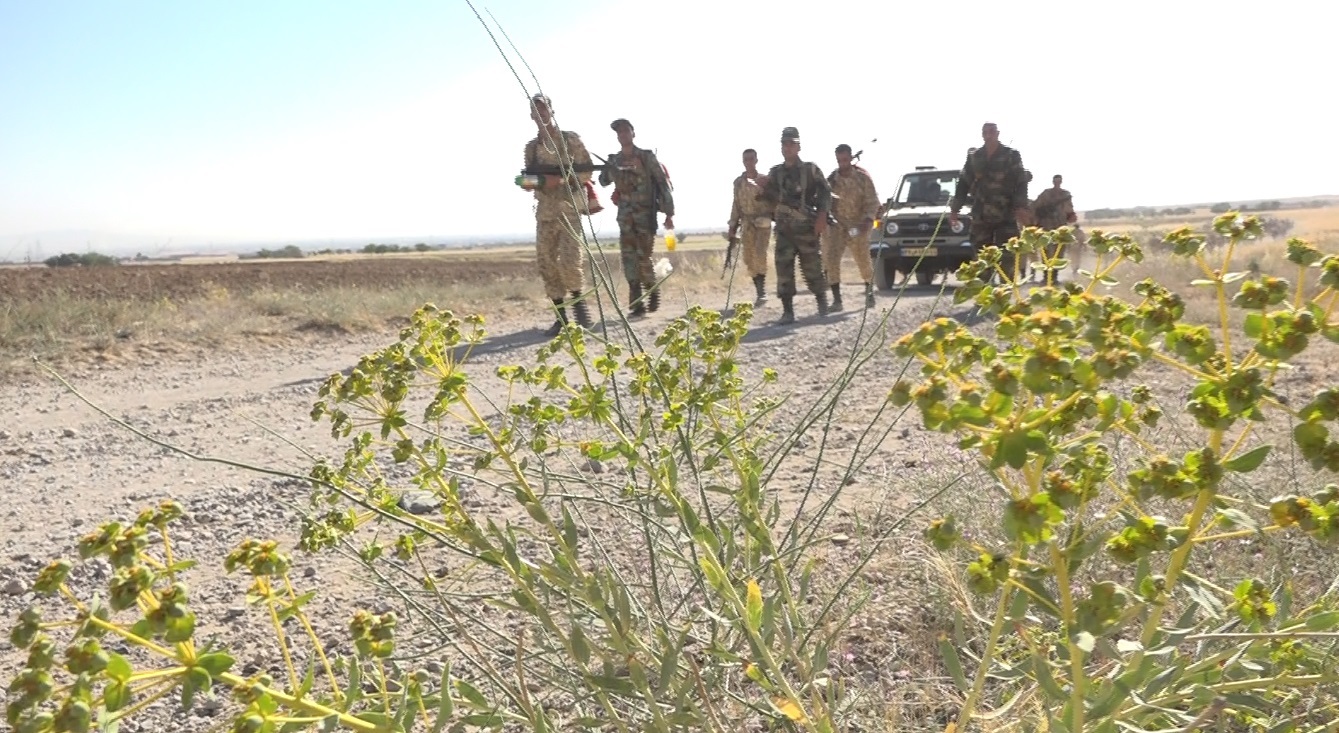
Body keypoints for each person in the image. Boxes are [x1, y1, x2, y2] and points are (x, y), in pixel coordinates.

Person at [522, 94, 594, 334]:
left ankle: (580, 308)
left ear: (551, 112)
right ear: (532, 115)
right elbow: (524, 179)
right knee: (547, 263)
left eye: (544, 110)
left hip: (569, 209)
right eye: (536, 111)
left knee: (571, 261)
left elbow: (586, 173)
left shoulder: (569, 140)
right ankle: (561, 317)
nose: (541, 115)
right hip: (545, 213)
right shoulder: (532, 148)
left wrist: (561, 179)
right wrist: (540, 181)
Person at [597, 118, 674, 317]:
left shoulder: (646, 157)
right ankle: (636, 302)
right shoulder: (614, 159)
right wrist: (610, 168)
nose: (622, 135)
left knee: (643, 257)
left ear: (633, 133)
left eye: (625, 131)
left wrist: (669, 213)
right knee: (628, 257)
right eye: (619, 132)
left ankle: (652, 289)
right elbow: (603, 181)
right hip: (625, 217)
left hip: (645, 215)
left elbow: (662, 182)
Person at [756, 126, 831, 325]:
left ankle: (822, 304)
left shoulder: (810, 169)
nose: (787, 148)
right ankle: (788, 312)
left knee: (812, 267)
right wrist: (763, 186)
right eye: (784, 144)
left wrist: (823, 215)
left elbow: (825, 192)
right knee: (783, 269)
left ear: (798, 147)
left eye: (791, 144)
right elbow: (766, 197)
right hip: (784, 229)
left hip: (806, 227)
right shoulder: (776, 172)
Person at [949, 122, 1030, 283]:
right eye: (985, 132)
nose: (989, 134)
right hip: (981, 214)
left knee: (1007, 255)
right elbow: (963, 183)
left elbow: (1021, 181)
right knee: (981, 257)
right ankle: (983, 297)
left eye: (992, 131)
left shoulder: (1011, 155)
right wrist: (955, 210)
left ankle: (1005, 296)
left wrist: (1020, 207)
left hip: (1005, 213)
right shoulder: (975, 157)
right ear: (982, 134)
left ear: (998, 133)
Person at [823, 144, 881, 311]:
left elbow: (872, 201)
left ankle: (869, 293)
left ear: (850, 158)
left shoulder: (862, 178)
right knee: (831, 260)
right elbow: (826, 202)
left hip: (859, 225)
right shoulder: (832, 179)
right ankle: (837, 300)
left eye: (845, 159)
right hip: (838, 227)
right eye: (839, 160)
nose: (842, 163)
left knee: (863, 260)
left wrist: (868, 220)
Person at [725, 148, 774, 306]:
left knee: (760, 253)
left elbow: (773, 201)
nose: (749, 162)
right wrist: (732, 225)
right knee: (749, 257)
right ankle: (758, 288)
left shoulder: (764, 180)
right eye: (746, 159)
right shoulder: (739, 183)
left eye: (751, 159)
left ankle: (762, 291)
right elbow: (736, 204)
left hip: (762, 223)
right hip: (746, 224)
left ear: (756, 160)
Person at [1031, 174, 1078, 282]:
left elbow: (1069, 209)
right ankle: (1046, 276)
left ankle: (1054, 276)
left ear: (1061, 181)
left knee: (1059, 252)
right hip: (1046, 226)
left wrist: (1071, 216)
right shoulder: (1046, 194)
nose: (1057, 183)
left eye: (1059, 181)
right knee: (1046, 251)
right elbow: (1035, 207)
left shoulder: (1065, 195)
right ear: (1053, 181)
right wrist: (1035, 221)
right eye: (1055, 181)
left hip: (1060, 227)